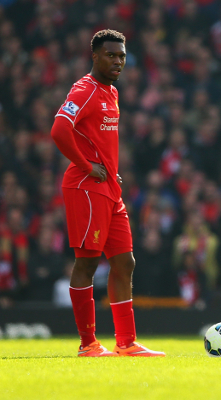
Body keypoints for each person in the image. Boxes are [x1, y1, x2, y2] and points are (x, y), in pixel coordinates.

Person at [50, 30, 164, 357]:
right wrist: (87, 165)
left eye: (122, 56)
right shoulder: (84, 89)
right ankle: (88, 344)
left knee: (125, 262)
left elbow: (96, 139)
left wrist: (109, 171)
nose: (117, 61)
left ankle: (126, 342)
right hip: (86, 187)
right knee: (87, 262)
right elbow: (59, 130)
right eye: (111, 55)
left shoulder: (110, 91)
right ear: (95, 56)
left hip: (109, 188)